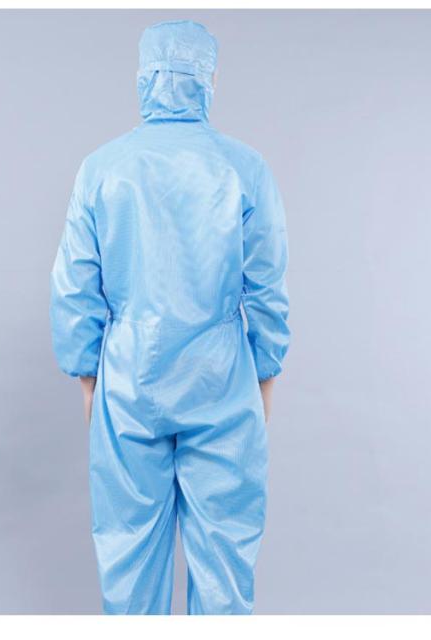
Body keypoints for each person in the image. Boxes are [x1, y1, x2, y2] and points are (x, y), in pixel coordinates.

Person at [50, 19, 290, 615]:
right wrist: (264, 377)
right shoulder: (245, 169)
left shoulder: (101, 169)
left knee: (129, 557)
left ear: (143, 77)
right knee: (225, 562)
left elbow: (75, 287)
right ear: (210, 79)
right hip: (222, 380)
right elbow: (267, 288)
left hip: (129, 380)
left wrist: (88, 379)